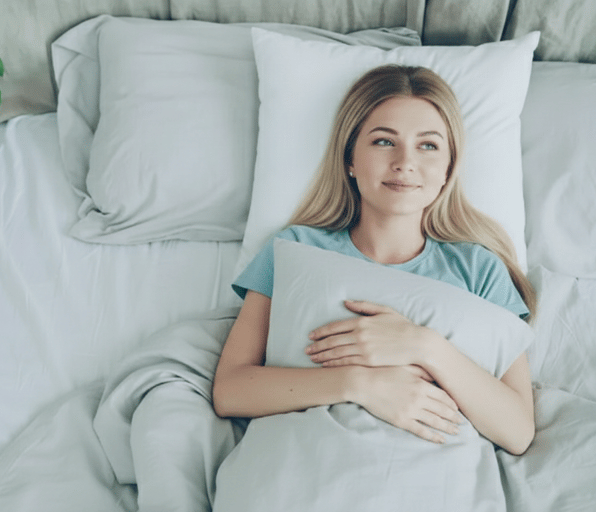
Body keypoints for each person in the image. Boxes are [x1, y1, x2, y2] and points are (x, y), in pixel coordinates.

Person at [212, 64, 537, 456]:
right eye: (384, 141)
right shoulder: (293, 248)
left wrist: (424, 346)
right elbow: (230, 390)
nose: (405, 161)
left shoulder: (480, 270)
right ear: (349, 158)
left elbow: (518, 431)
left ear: (449, 169)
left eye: (428, 145)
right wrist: (361, 384)